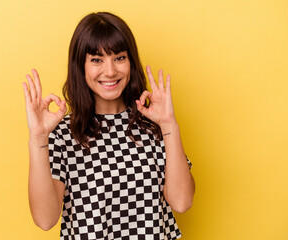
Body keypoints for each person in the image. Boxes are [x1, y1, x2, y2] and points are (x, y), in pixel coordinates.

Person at [22, 12, 195, 239]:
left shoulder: (154, 125)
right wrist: (37, 138)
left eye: (119, 58)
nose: (110, 71)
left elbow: (182, 202)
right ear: (80, 66)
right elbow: (45, 220)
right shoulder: (62, 134)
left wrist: (169, 125)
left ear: (131, 61)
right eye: (96, 60)